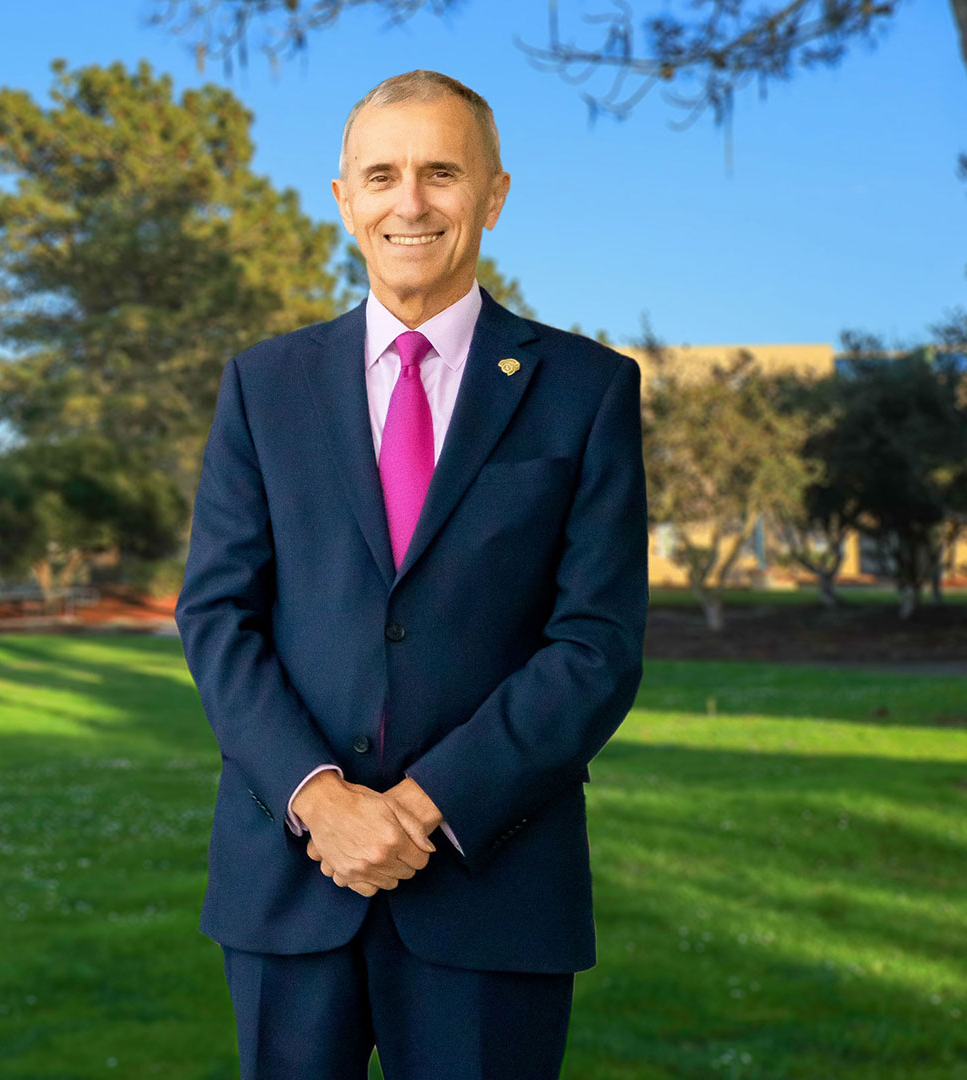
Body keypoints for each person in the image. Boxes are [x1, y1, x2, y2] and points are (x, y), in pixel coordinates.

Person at [174, 69, 648, 1079]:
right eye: (381, 175)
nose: (411, 202)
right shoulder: (264, 386)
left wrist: (423, 806)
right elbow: (219, 617)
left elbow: (596, 645)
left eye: (442, 172)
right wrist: (322, 800)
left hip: (494, 884)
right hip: (291, 881)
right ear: (344, 199)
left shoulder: (588, 390)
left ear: (494, 194)